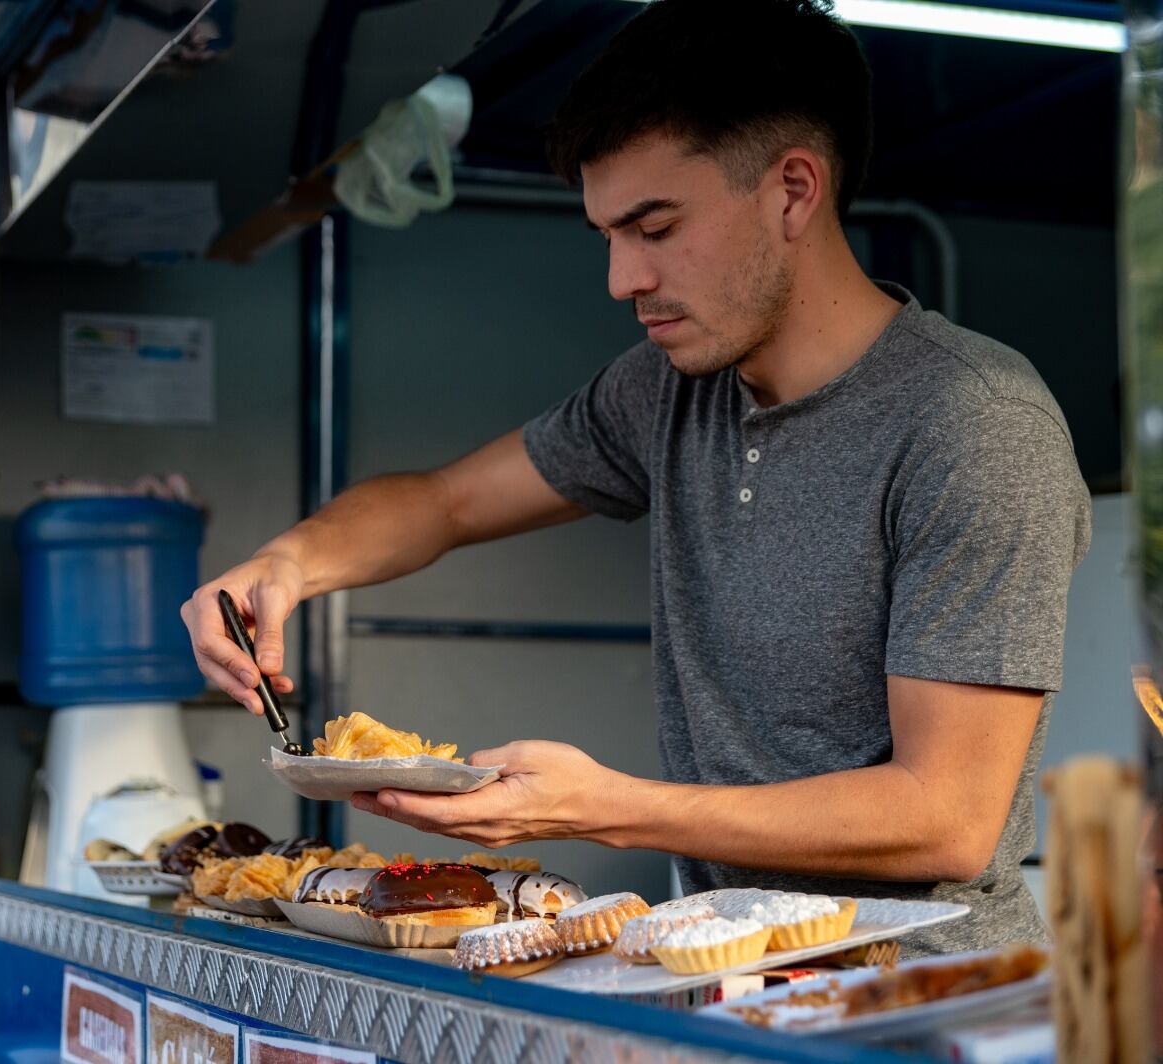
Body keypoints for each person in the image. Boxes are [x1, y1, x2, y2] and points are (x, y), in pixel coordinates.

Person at [180, 0, 1091, 954]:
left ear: (791, 191)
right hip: (726, 981)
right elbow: (444, 502)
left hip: (922, 1003)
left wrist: (609, 809)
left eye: (654, 227)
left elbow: (943, 814)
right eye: (607, 235)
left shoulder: (976, 425)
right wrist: (284, 566)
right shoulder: (666, 391)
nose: (621, 278)